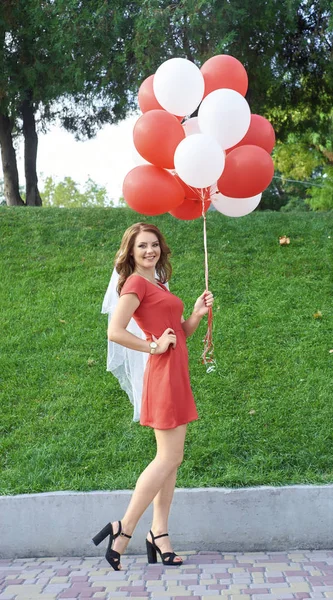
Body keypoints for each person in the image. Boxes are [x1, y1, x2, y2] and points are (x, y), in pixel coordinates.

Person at [92, 222, 214, 570]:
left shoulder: (158, 283)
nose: (150, 250)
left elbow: (178, 334)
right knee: (167, 458)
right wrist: (152, 345)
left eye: (155, 244)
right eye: (142, 246)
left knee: (172, 459)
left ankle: (158, 532)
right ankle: (124, 529)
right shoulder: (134, 283)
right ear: (130, 252)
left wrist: (194, 314)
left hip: (176, 373)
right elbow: (114, 331)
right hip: (162, 376)